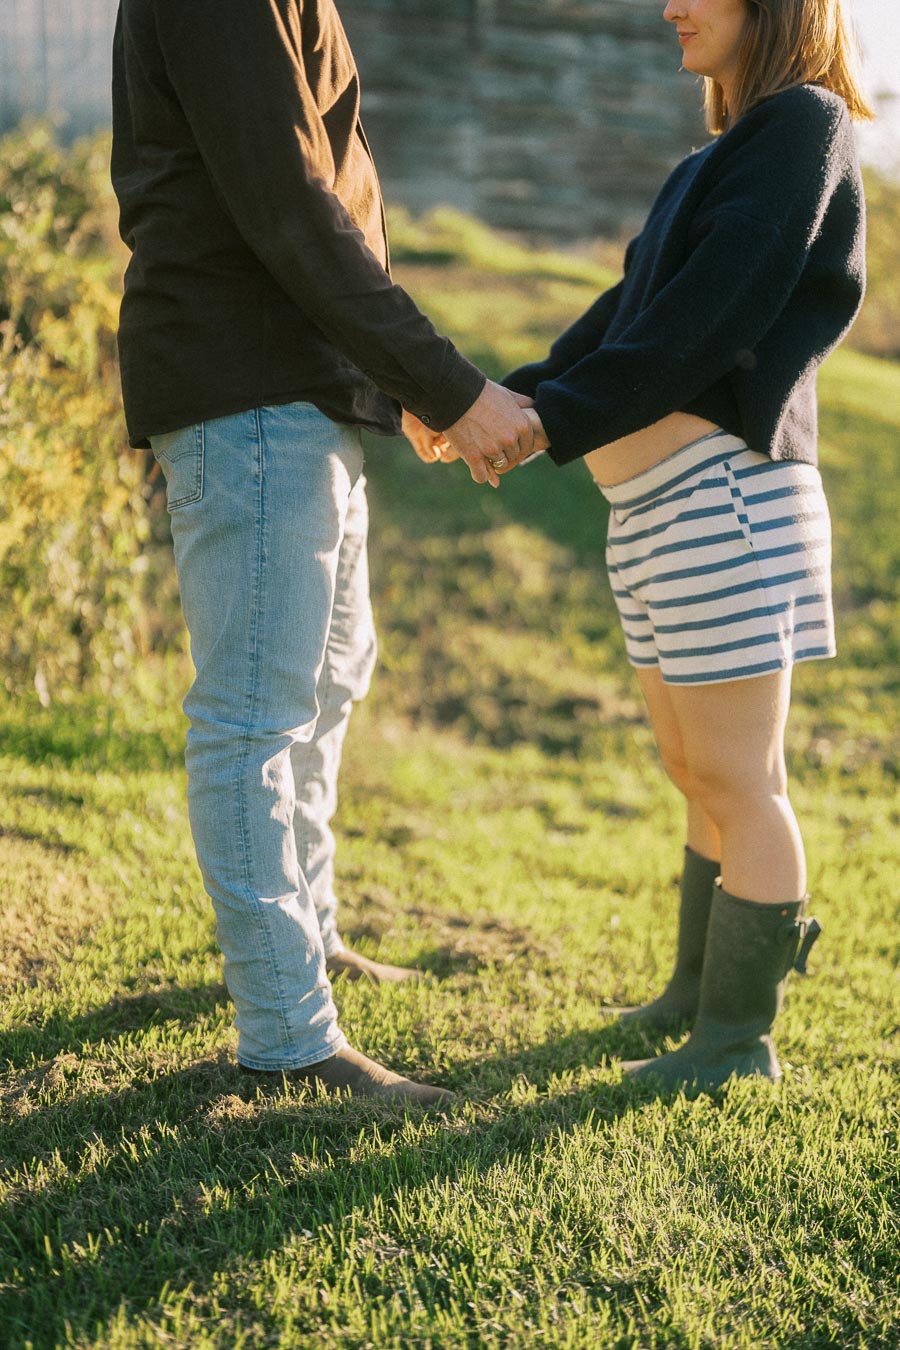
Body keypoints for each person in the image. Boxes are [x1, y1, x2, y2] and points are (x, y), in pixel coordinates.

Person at [110, 0, 537, 1105]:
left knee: (330, 681)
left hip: (301, 388)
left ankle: (310, 939)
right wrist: (450, 386)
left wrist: (396, 385)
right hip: (245, 379)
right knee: (256, 713)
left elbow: (327, 195)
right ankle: (289, 1040)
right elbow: (289, 203)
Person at [500, 0, 871, 1089]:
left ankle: (737, 1041)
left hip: (729, 502)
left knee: (739, 777)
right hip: (662, 509)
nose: (670, 4)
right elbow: (624, 316)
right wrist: (503, 404)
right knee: (693, 768)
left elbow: (712, 313)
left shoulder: (805, 123)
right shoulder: (710, 162)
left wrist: (552, 420)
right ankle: (692, 996)